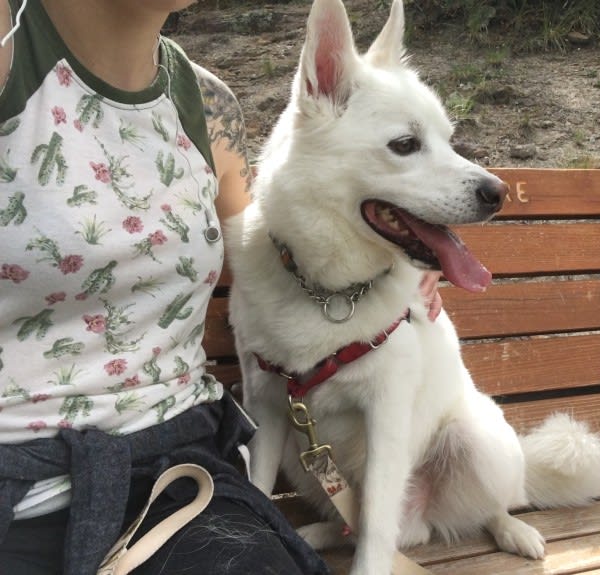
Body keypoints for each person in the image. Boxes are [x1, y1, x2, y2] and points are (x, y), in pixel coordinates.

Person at [0, 1, 442, 574]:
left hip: (178, 474)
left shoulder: (206, 104)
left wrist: (403, 250)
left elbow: (275, 244)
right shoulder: (14, 51)